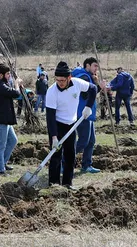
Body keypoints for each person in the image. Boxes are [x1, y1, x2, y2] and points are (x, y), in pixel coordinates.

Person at [46, 61, 97, 189]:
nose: (60, 83)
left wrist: (88, 107)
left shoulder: (77, 83)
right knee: (56, 155)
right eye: (57, 80)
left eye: (62, 80)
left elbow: (93, 89)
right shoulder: (52, 92)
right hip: (57, 125)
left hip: (71, 125)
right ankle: (54, 184)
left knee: (70, 155)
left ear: (69, 78)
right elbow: (50, 117)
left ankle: (68, 183)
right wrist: (54, 137)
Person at [0, 63, 21, 175]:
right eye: (8, 74)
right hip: (0, 120)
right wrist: (17, 84)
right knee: (0, 145)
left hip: (4, 119)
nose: (9, 76)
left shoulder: (0, 83)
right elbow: (15, 93)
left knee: (13, 140)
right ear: (1, 75)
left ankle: (3, 163)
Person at [72, 57, 102, 174]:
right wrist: (99, 87)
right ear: (87, 66)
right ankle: (64, 161)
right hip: (82, 114)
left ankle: (86, 165)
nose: (96, 69)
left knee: (91, 141)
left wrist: (97, 85)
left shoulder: (88, 77)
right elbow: (85, 95)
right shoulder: (83, 76)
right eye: (95, 66)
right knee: (83, 141)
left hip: (89, 114)